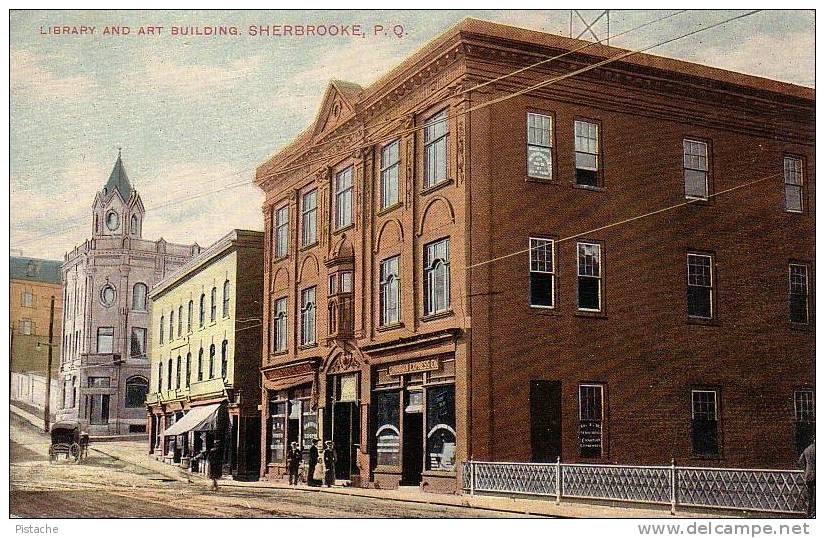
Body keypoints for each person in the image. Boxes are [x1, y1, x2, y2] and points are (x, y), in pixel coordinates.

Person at [798, 438, 815, 518]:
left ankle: (809, 513)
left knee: (811, 496)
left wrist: (806, 469)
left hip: (808, 475)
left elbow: (800, 461)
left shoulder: (807, 449)